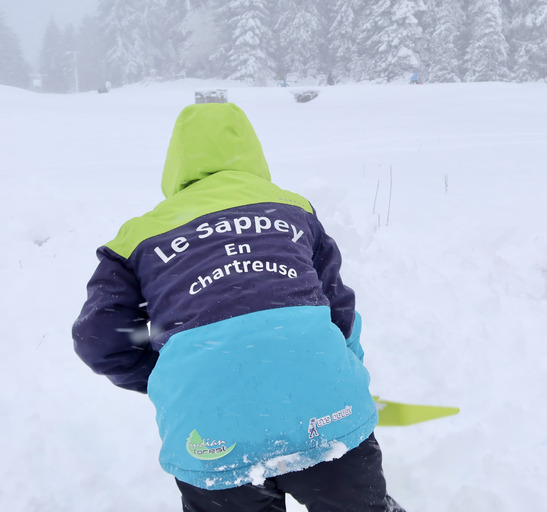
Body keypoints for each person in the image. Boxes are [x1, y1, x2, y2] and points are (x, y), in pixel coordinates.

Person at [72, 100, 405, 512]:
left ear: (175, 162)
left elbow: (98, 338)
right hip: (327, 410)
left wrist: (175, 378)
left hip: (211, 430)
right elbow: (339, 310)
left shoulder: (135, 239)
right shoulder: (292, 210)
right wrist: (340, 370)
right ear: (253, 152)